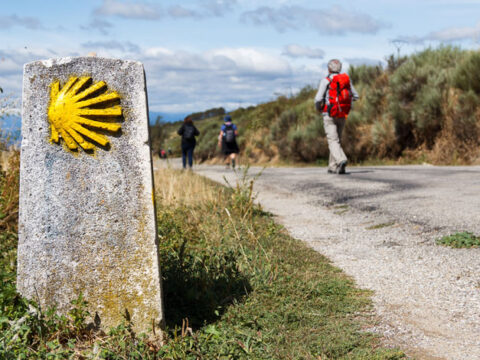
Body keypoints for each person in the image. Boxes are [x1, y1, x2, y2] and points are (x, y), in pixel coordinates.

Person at [314, 59, 359, 174]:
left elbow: (318, 99)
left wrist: (319, 108)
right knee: (337, 140)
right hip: (342, 114)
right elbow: (356, 96)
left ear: (329, 68)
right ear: (340, 68)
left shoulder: (326, 81)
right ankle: (332, 166)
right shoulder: (346, 80)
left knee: (332, 140)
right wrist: (344, 103)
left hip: (329, 114)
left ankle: (341, 160)